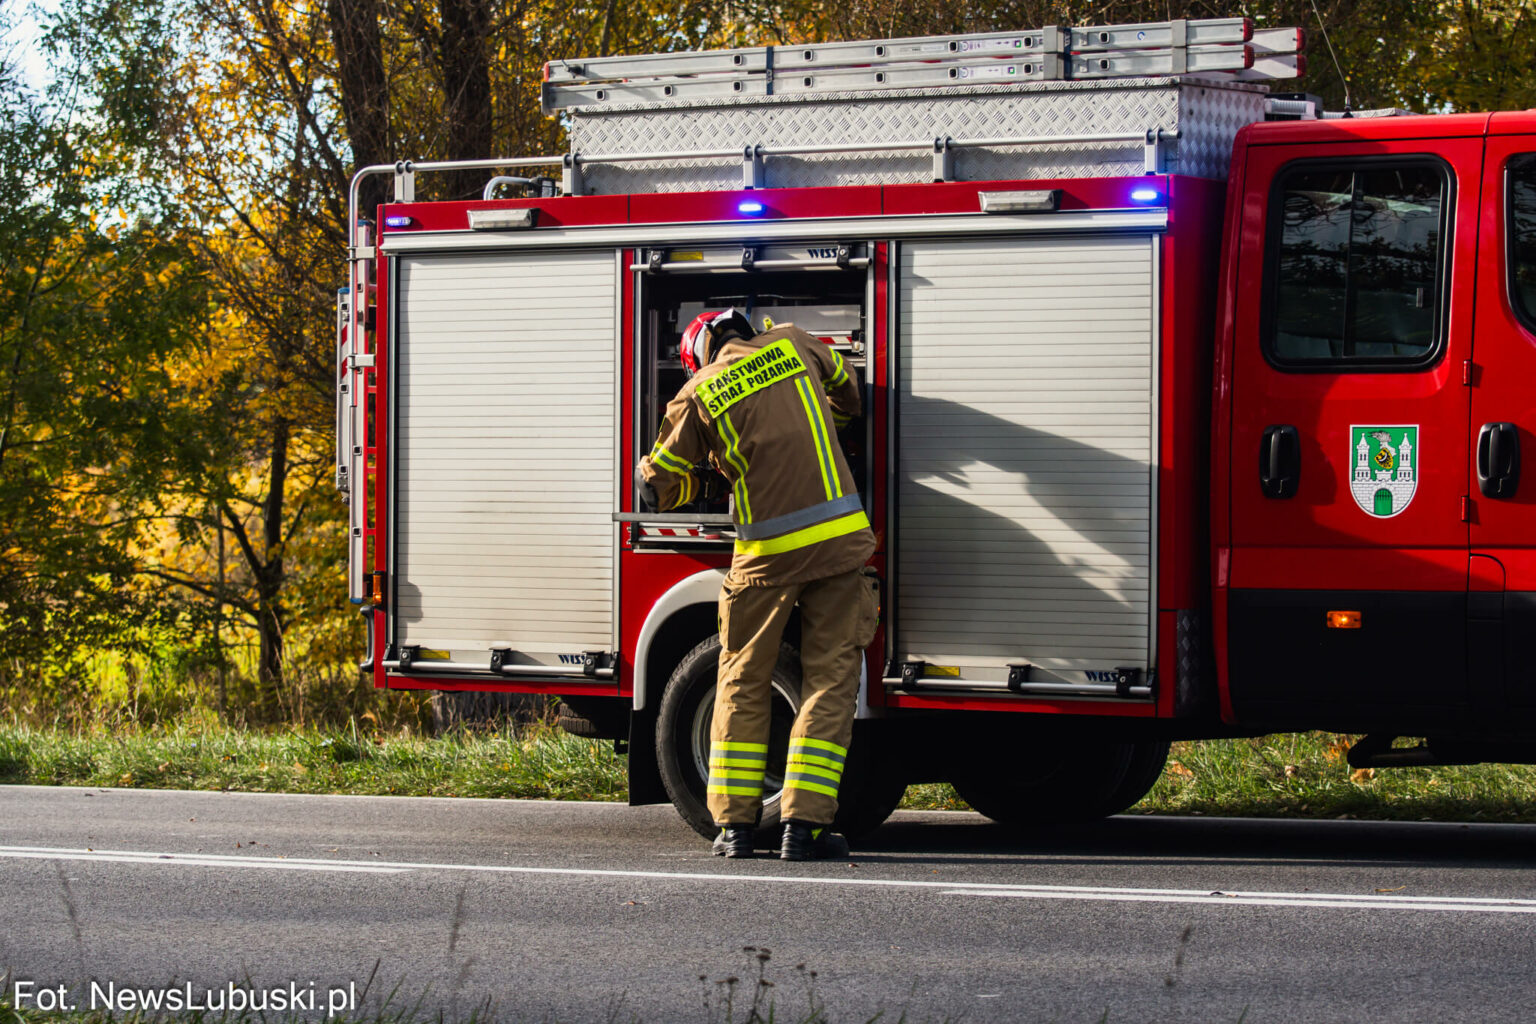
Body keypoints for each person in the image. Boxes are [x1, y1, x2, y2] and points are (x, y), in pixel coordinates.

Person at [636, 309, 879, 861]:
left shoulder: (697, 392)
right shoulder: (795, 343)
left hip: (764, 556)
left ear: (698, 353)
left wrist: (691, 474)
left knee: (744, 678)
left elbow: (661, 486)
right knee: (831, 680)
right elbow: (851, 395)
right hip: (838, 545)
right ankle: (804, 829)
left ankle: (735, 830)